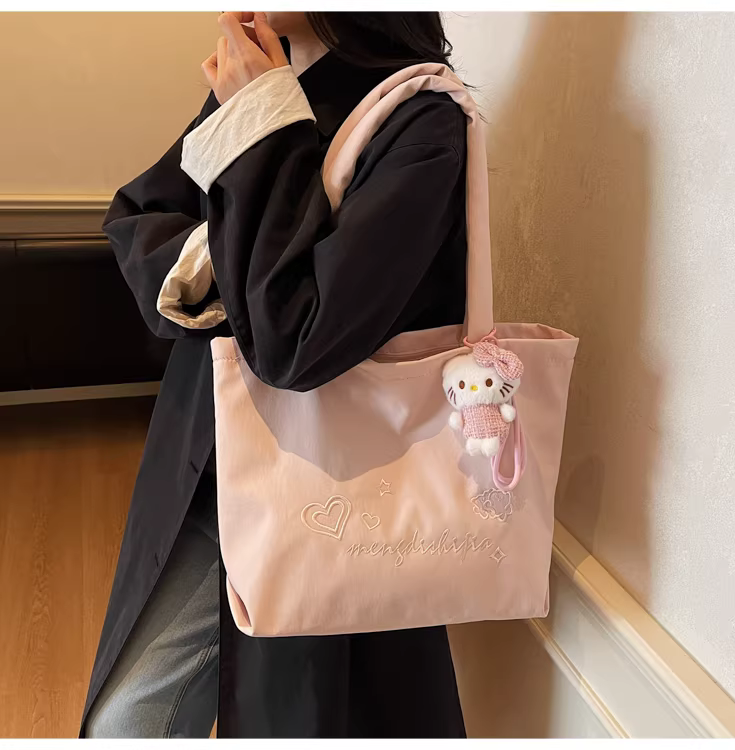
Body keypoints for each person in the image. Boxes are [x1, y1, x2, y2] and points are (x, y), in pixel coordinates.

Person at [83, 11, 469, 738]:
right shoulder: (263, 75)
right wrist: (221, 263)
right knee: (126, 718)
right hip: (207, 460)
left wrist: (262, 119)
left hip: (321, 490)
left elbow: (293, 336)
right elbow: (139, 214)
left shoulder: (421, 120)